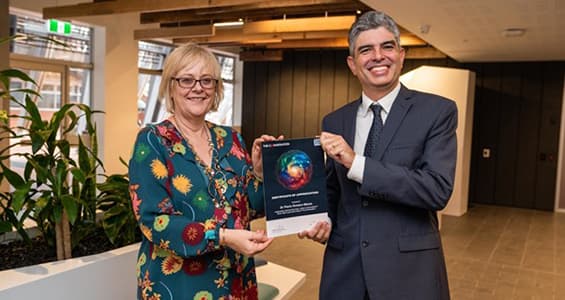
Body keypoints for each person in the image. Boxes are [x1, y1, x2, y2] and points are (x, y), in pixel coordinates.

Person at [300, 10, 457, 299]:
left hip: (409, 274)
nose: (378, 56)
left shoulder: (437, 112)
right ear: (353, 63)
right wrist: (322, 220)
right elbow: (333, 193)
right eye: (366, 50)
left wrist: (356, 163)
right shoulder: (334, 121)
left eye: (387, 46)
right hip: (344, 273)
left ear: (401, 54)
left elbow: (437, 189)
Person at [128, 43, 279, 300]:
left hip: (235, 280)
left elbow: (252, 209)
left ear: (216, 89)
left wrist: (259, 173)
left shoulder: (230, 139)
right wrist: (221, 236)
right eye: (187, 80)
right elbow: (154, 221)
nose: (198, 88)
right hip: (178, 284)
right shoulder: (153, 141)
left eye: (206, 80)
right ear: (171, 87)